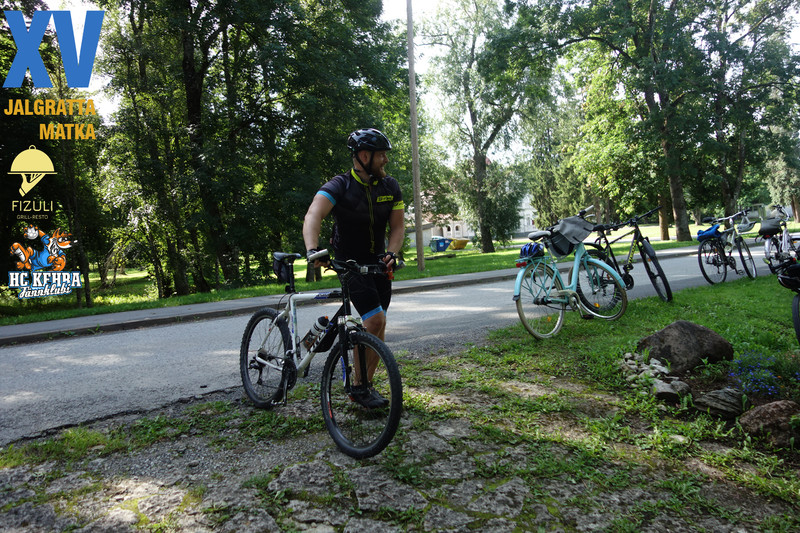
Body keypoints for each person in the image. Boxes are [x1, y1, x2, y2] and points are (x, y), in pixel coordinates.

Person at [303, 128, 405, 408]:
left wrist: (392, 253)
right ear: (364, 156)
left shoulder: (390, 187)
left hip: (379, 264)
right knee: (376, 321)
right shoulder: (340, 185)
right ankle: (359, 387)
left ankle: (363, 385)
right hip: (349, 263)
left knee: (377, 325)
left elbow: (398, 227)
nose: (386, 160)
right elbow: (314, 214)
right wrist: (312, 250)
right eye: (381, 155)